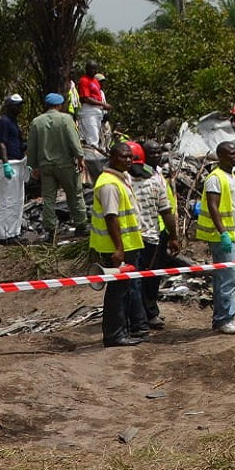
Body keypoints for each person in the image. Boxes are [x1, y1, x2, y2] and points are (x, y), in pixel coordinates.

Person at [90, 141, 146, 348]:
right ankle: (114, 335)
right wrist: (119, 249)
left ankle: (123, 331)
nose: (128, 160)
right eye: (123, 156)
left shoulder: (120, 178)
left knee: (124, 290)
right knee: (117, 292)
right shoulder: (109, 184)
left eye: (130, 156)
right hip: (115, 248)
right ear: (112, 157)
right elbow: (111, 217)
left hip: (129, 244)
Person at [127, 141, 180, 329]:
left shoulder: (155, 175)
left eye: (159, 151)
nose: (156, 155)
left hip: (157, 233)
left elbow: (167, 207)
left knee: (152, 277)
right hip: (139, 236)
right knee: (139, 280)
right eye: (152, 152)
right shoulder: (128, 179)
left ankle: (146, 313)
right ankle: (143, 317)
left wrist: (172, 233)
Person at [196, 141, 235, 335]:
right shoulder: (215, 178)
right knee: (227, 278)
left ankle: (228, 314)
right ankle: (223, 319)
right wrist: (223, 232)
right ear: (221, 156)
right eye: (231, 154)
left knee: (230, 277)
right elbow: (213, 206)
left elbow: (234, 205)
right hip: (222, 236)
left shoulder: (233, 177)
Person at [27, 92, 88, 240]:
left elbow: (32, 146)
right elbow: (73, 140)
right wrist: (80, 157)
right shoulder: (66, 119)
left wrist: (33, 166)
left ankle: (50, 230)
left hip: (46, 166)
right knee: (74, 194)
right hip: (65, 164)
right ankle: (80, 224)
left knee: (48, 198)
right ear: (59, 105)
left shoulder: (36, 122)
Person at [0, 94, 28, 242]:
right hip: (9, 165)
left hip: (18, 164)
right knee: (8, 201)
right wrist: (5, 163)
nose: (19, 108)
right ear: (8, 106)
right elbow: (1, 143)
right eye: (16, 105)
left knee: (18, 201)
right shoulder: (4, 122)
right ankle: (5, 235)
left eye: (20, 105)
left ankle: (14, 232)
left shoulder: (14, 122)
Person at [76, 62, 109, 150]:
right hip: (88, 111)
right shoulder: (84, 80)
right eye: (91, 68)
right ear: (86, 69)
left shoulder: (95, 81)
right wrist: (103, 104)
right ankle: (91, 160)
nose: (93, 71)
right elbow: (85, 98)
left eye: (95, 69)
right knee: (92, 137)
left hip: (97, 111)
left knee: (96, 136)